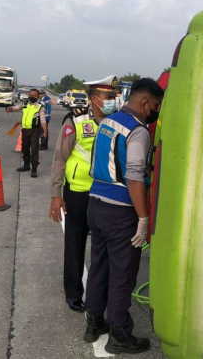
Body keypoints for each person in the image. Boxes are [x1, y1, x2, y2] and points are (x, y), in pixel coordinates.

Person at [83, 78, 164, 354]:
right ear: (145, 103)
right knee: (122, 275)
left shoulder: (107, 121)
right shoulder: (138, 130)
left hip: (95, 204)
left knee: (99, 266)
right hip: (121, 212)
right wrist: (143, 218)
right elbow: (134, 177)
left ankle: (94, 323)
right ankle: (120, 335)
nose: (155, 112)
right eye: (155, 106)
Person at [48, 75, 119, 314]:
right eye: (108, 97)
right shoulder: (76, 120)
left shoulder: (116, 122)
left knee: (104, 246)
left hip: (106, 194)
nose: (112, 101)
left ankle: (101, 292)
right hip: (77, 193)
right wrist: (55, 194)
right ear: (94, 99)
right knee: (75, 244)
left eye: (114, 97)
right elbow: (60, 157)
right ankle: (73, 292)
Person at [6, 88, 47, 178]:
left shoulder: (40, 106)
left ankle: (34, 168)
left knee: (34, 149)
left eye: (34, 96)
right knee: (24, 148)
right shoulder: (25, 103)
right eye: (31, 95)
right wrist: (10, 108)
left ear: (38, 96)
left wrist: (45, 131)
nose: (32, 97)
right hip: (24, 130)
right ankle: (26, 165)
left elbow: (43, 120)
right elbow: (16, 108)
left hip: (35, 130)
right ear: (28, 95)